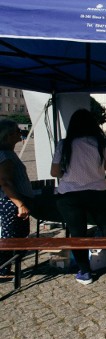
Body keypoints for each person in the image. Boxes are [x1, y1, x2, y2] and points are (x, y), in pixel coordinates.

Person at [50, 109, 106, 285]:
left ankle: (84, 270)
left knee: (77, 232)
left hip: (69, 194)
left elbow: (54, 172)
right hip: (97, 191)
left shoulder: (64, 144)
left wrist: (68, 171)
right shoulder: (103, 143)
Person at [0, 119, 34, 280]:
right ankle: (3, 270)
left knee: (19, 236)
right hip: (10, 203)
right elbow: (5, 181)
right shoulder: (5, 155)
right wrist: (19, 204)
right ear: (7, 136)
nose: (20, 135)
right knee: (10, 238)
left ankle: (8, 268)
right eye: (16, 132)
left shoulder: (9, 153)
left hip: (14, 202)